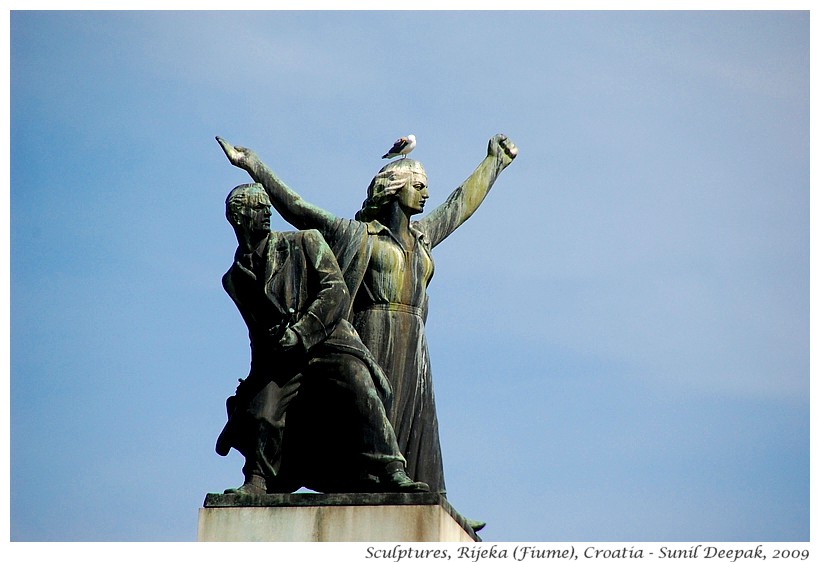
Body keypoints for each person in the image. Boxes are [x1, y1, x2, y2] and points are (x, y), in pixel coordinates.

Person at [217, 134, 518, 495]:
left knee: (411, 428)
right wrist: (254, 165)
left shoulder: (422, 237)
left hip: (413, 342)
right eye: (418, 186)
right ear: (393, 190)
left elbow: (459, 206)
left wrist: (494, 163)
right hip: (368, 334)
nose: (426, 193)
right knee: (366, 410)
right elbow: (297, 208)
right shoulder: (355, 235)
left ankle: (423, 498)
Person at [218, 182, 428, 495]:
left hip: (329, 342)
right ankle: (257, 481)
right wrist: (257, 377)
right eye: (256, 207)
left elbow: (336, 291)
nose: (265, 212)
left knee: (361, 386)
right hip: (283, 359)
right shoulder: (234, 278)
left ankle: (391, 469)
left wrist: (302, 332)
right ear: (238, 218)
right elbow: (256, 333)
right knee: (263, 411)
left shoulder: (305, 242)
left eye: (266, 205)